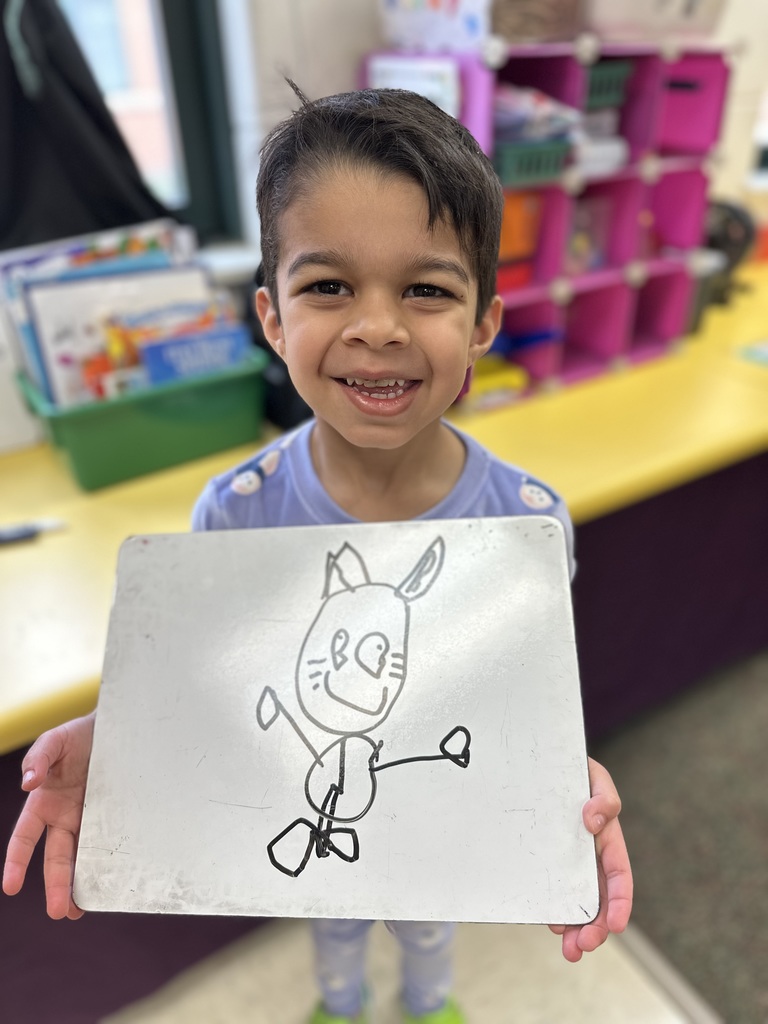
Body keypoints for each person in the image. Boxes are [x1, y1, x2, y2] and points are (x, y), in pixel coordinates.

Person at [3, 85, 632, 1024]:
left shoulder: (525, 526)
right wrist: (125, 742)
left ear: (484, 326)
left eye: (426, 289)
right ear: (271, 317)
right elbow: (210, 685)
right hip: (308, 801)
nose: (377, 326)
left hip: (431, 822)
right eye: (328, 286)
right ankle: (338, 1004)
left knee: (427, 924)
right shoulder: (237, 513)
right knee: (329, 918)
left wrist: (564, 779)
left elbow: (518, 700)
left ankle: (428, 1006)